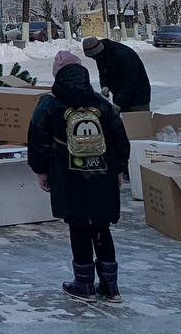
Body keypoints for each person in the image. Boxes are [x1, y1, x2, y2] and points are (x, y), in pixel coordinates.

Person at [28, 50, 131, 304]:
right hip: (102, 172)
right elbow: (120, 138)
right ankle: (110, 286)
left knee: (78, 226)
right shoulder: (101, 103)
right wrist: (119, 169)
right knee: (101, 226)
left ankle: (84, 284)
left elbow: (38, 141)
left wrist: (40, 170)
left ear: (57, 75)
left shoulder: (49, 104)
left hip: (68, 173)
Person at [81, 36, 151, 112]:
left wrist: (118, 103)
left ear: (99, 51)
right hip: (120, 95)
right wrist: (105, 86)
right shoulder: (101, 56)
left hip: (138, 98)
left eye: (94, 56)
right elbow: (103, 73)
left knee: (139, 122)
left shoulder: (123, 55)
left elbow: (130, 82)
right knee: (121, 122)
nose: (94, 59)